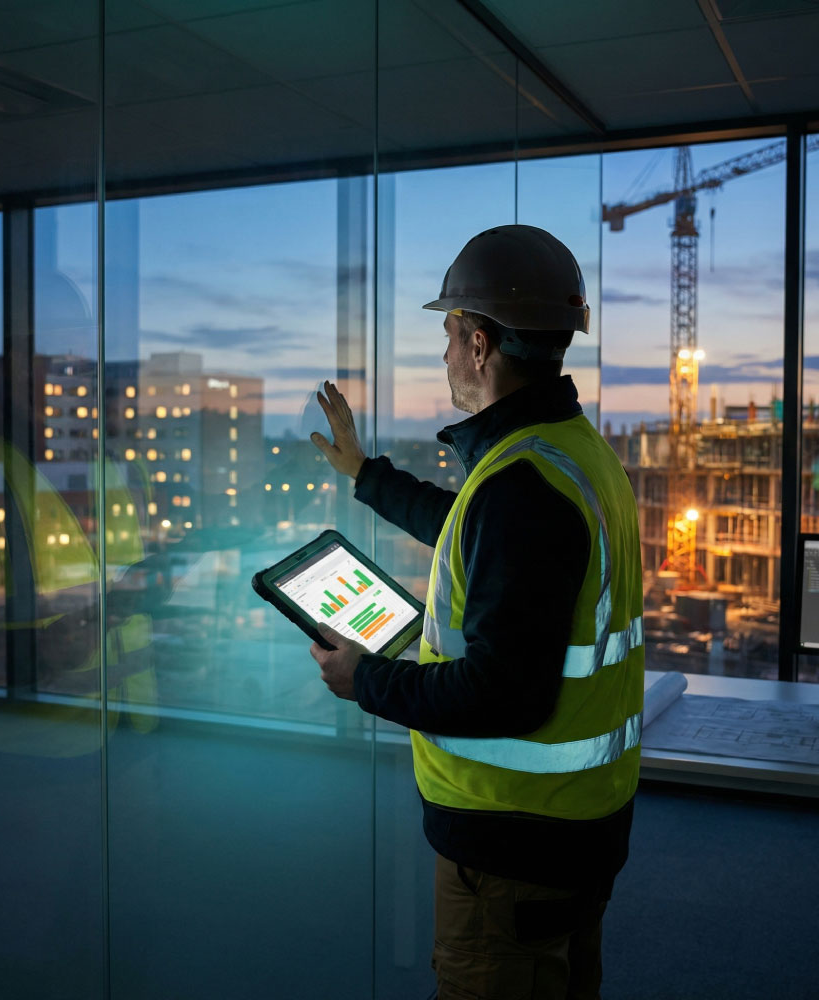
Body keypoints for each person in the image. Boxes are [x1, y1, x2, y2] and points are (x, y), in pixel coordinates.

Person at [308, 225, 644, 1000]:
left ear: (483, 344)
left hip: (514, 850)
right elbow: (475, 528)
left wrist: (368, 681)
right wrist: (368, 475)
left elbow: (503, 692)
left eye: (452, 333)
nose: (448, 352)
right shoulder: (566, 453)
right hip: (572, 829)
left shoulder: (523, 484)